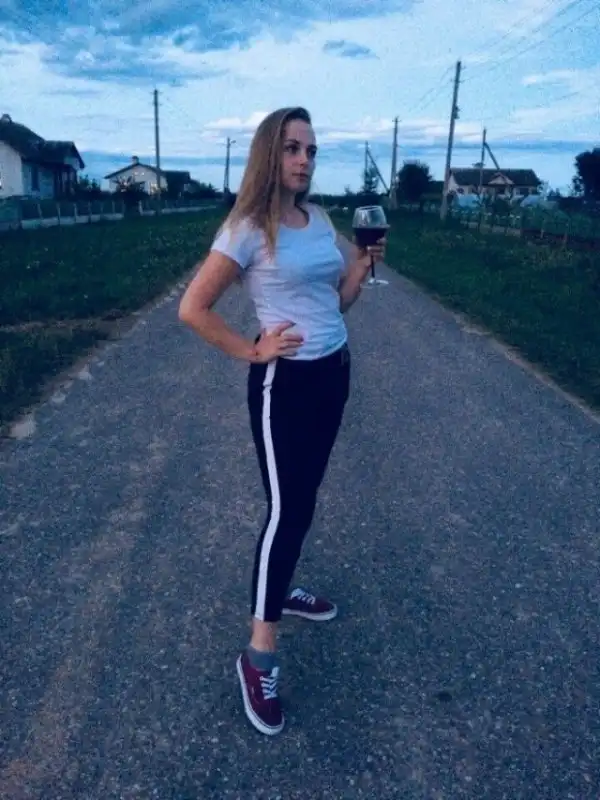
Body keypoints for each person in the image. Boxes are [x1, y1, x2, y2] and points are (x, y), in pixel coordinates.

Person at [178, 106, 386, 736]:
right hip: (285, 385)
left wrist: (358, 271)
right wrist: (252, 350)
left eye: (312, 150)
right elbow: (194, 308)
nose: (304, 160)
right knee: (286, 509)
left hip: (333, 372)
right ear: (271, 153)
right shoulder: (247, 227)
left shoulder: (318, 219)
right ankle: (259, 654)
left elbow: (334, 303)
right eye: (293, 148)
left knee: (301, 500)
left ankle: (280, 584)